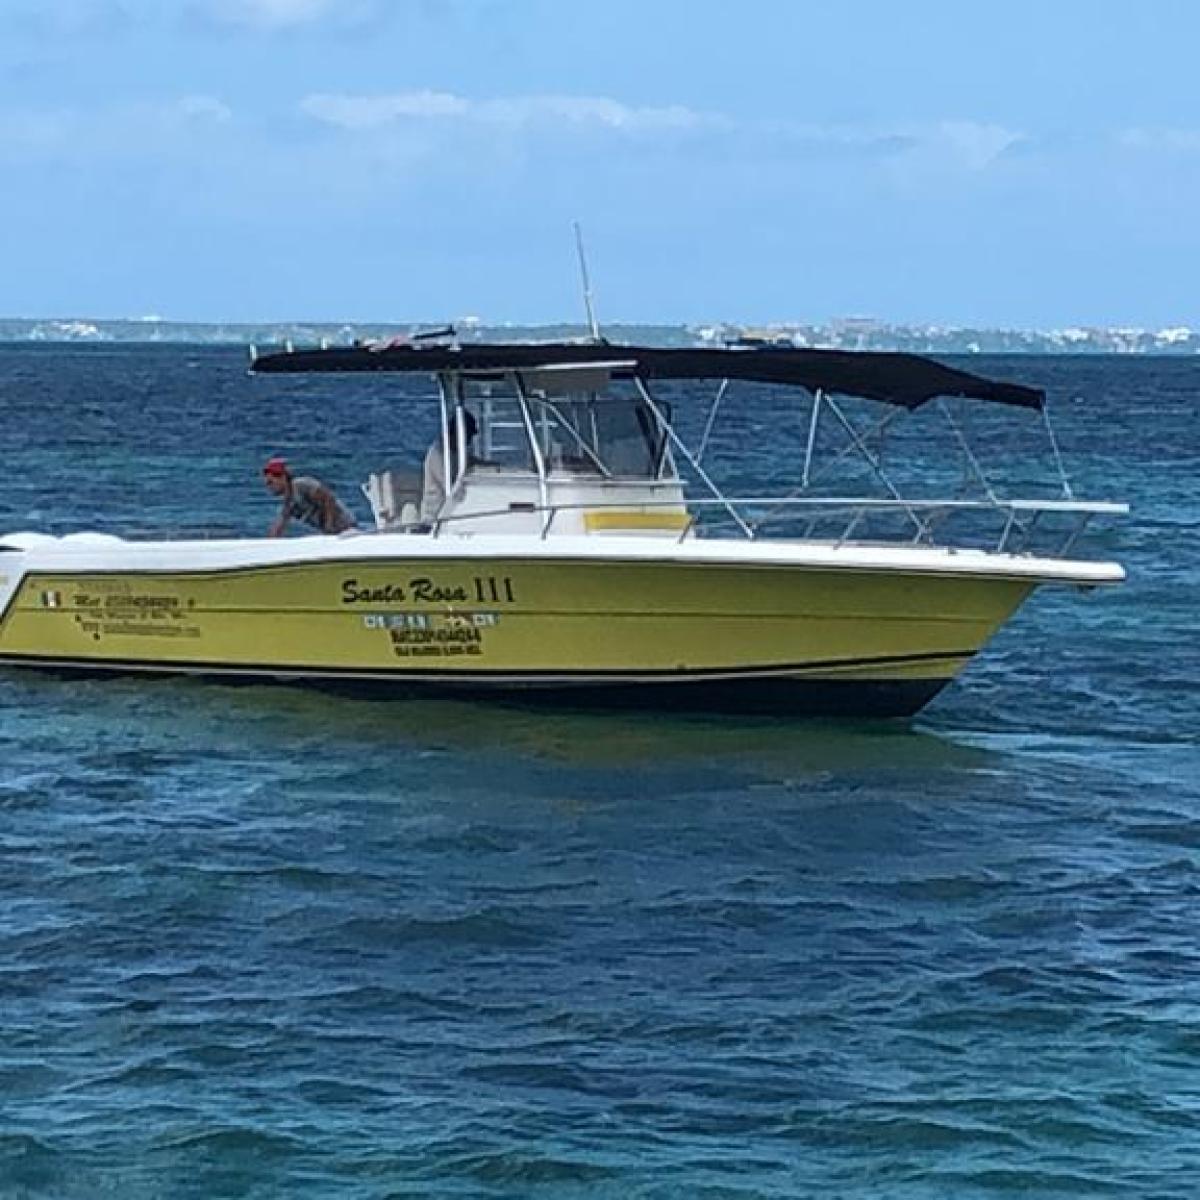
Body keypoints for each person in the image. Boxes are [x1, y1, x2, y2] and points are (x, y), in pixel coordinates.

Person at [262, 457, 356, 537]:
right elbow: (280, 524)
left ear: (283, 478)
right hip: (334, 534)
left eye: (270, 482)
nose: (269, 487)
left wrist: (328, 528)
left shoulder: (302, 485)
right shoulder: (288, 502)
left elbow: (328, 499)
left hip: (347, 529)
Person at [420, 410, 477, 523]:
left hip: (456, 511)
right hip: (436, 515)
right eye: (468, 435)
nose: (469, 441)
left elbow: (471, 462)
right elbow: (449, 485)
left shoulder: (458, 452)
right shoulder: (437, 453)